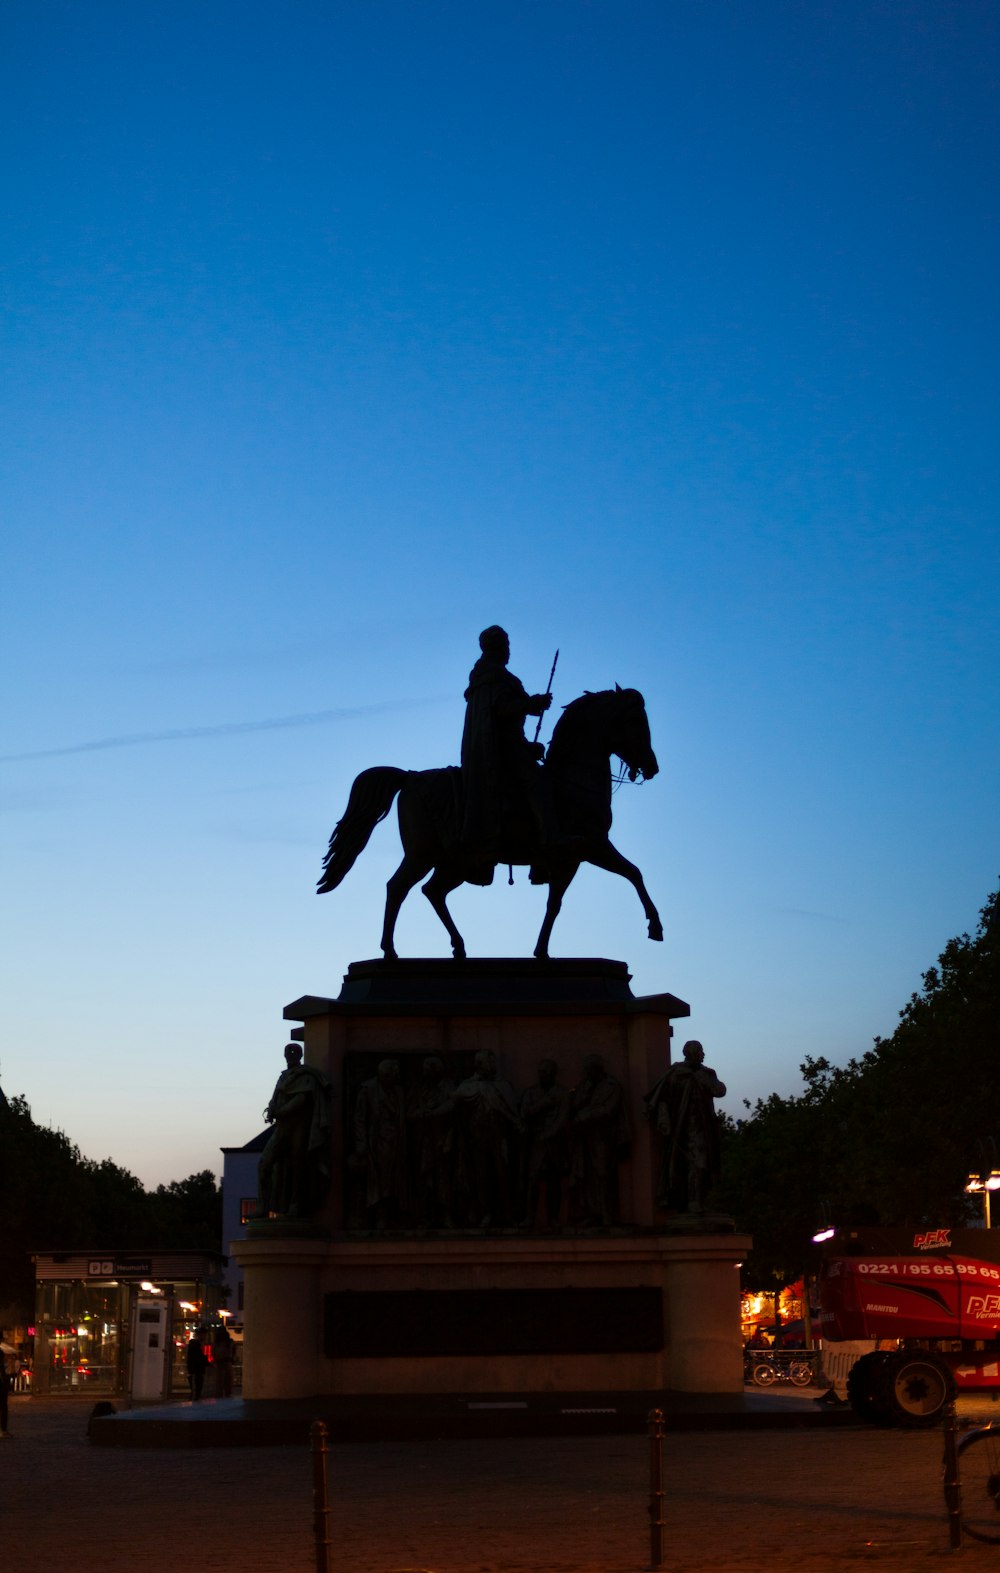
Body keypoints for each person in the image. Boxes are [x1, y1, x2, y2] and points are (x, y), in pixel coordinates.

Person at [459, 625, 557, 875]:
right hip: (500, 751)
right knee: (539, 784)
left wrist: (527, 744)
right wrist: (531, 703)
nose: (507, 649)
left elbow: (505, 720)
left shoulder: (491, 676)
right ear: (496, 647)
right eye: (504, 644)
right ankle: (547, 849)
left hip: (509, 745)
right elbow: (501, 711)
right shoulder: (492, 676)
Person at [644, 1039, 727, 1214]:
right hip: (682, 1125)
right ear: (690, 1054)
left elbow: (720, 1090)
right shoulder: (675, 1073)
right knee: (694, 1162)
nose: (703, 1055)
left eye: (702, 1051)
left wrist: (702, 1078)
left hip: (705, 1126)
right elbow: (662, 1099)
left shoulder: (707, 1073)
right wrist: (663, 1119)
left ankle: (701, 1199)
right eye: (700, 1052)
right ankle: (692, 1201)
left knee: (705, 1162)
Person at [258, 1042, 333, 1219]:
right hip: (281, 1127)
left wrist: (280, 1111)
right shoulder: (283, 1076)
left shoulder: (306, 1075)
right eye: (287, 1052)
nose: (290, 1055)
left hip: (298, 1127)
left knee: (298, 1166)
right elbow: (276, 1096)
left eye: (293, 1052)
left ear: (299, 1055)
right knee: (264, 1163)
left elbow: (301, 1099)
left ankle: (296, 1205)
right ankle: (263, 1207)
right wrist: (272, 1109)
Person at [453, 1049, 522, 1227]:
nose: (490, 1066)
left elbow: (512, 1110)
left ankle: (507, 1213)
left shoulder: (503, 1085)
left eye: (491, 1062)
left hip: (500, 1136)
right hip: (478, 1137)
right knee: (481, 1176)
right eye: (485, 1063)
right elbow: (453, 1104)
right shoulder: (469, 1085)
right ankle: (485, 1213)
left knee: (504, 1174)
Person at [569, 1055, 630, 1226]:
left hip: (604, 1137)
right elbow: (574, 1105)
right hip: (584, 1137)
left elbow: (609, 1109)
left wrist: (585, 1115)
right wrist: (584, 1096)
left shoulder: (612, 1086)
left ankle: (607, 1213)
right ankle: (591, 1212)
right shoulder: (584, 1086)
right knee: (585, 1175)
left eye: (591, 1069)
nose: (588, 1073)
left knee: (603, 1174)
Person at [352, 1058, 409, 1229]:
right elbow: (359, 1118)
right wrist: (361, 1142)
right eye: (395, 1074)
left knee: (397, 1179)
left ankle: (393, 1214)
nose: (398, 1077)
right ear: (386, 1075)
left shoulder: (399, 1092)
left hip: (397, 1141)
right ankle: (380, 1216)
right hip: (376, 1142)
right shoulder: (368, 1089)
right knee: (380, 1181)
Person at [520, 1058, 571, 1228]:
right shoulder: (530, 1093)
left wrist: (549, 1134)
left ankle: (554, 1218)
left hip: (555, 1143)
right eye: (541, 1072)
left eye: (547, 1072)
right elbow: (525, 1113)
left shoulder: (563, 1093)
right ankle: (529, 1217)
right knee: (532, 1181)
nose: (543, 1075)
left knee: (554, 1181)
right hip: (535, 1143)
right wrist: (545, 1103)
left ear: (553, 1074)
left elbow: (563, 1117)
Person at [211, 1324, 235, 1398]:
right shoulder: (229, 1342)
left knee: (220, 1382)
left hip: (220, 1362)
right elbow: (233, 1352)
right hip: (226, 1362)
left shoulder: (216, 1343)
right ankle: (227, 1395)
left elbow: (213, 1353)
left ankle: (220, 1396)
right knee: (227, 1381)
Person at [0, 1336, 16, 1437]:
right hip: (1, 1383)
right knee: (3, 1406)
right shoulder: (0, 1353)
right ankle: (3, 1430)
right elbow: (1, 1370)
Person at [185, 1332, 208, 1401]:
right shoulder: (197, 1348)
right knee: (197, 1389)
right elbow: (200, 1358)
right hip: (197, 1371)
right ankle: (194, 1401)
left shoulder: (193, 1347)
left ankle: (194, 1401)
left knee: (195, 1390)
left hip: (194, 1371)